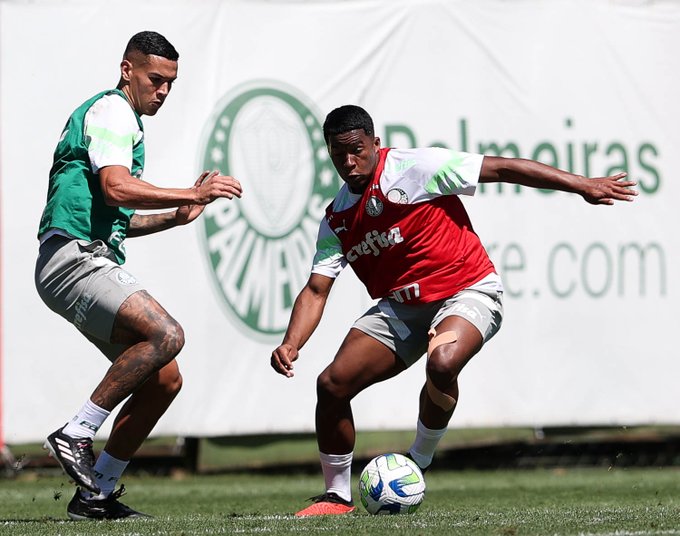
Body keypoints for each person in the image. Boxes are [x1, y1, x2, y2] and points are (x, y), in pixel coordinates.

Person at [270, 104, 636, 517]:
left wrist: (581, 184)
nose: (349, 162)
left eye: (357, 150)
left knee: (442, 362)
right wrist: (291, 342)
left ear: (376, 143)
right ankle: (336, 497)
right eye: (339, 154)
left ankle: (418, 461)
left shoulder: (415, 168)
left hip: (467, 290)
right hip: (403, 307)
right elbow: (316, 290)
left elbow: (500, 169)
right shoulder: (336, 218)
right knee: (331, 385)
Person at [36, 31, 242, 520]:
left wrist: (174, 216)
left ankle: (95, 495)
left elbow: (117, 217)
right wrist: (188, 195)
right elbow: (116, 188)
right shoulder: (112, 112)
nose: (164, 92)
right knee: (167, 333)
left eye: (171, 83)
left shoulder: (121, 118)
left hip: (83, 257)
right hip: (72, 259)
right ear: (127, 70)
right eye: (156, 79)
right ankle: (76, 433)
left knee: (164, 380)